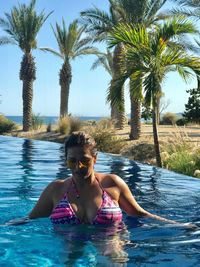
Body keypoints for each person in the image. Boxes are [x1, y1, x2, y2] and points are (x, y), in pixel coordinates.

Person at [28, 131, 178, 226]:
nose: (78, 166)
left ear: (95, 159)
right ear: (65, 160)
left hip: (110, 242)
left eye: (84, 160)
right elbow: (29, 219)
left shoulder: (112, 184)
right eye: (72, 161)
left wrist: (179, 226)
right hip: (68, 246)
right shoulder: (56, 190)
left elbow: (140, 213)